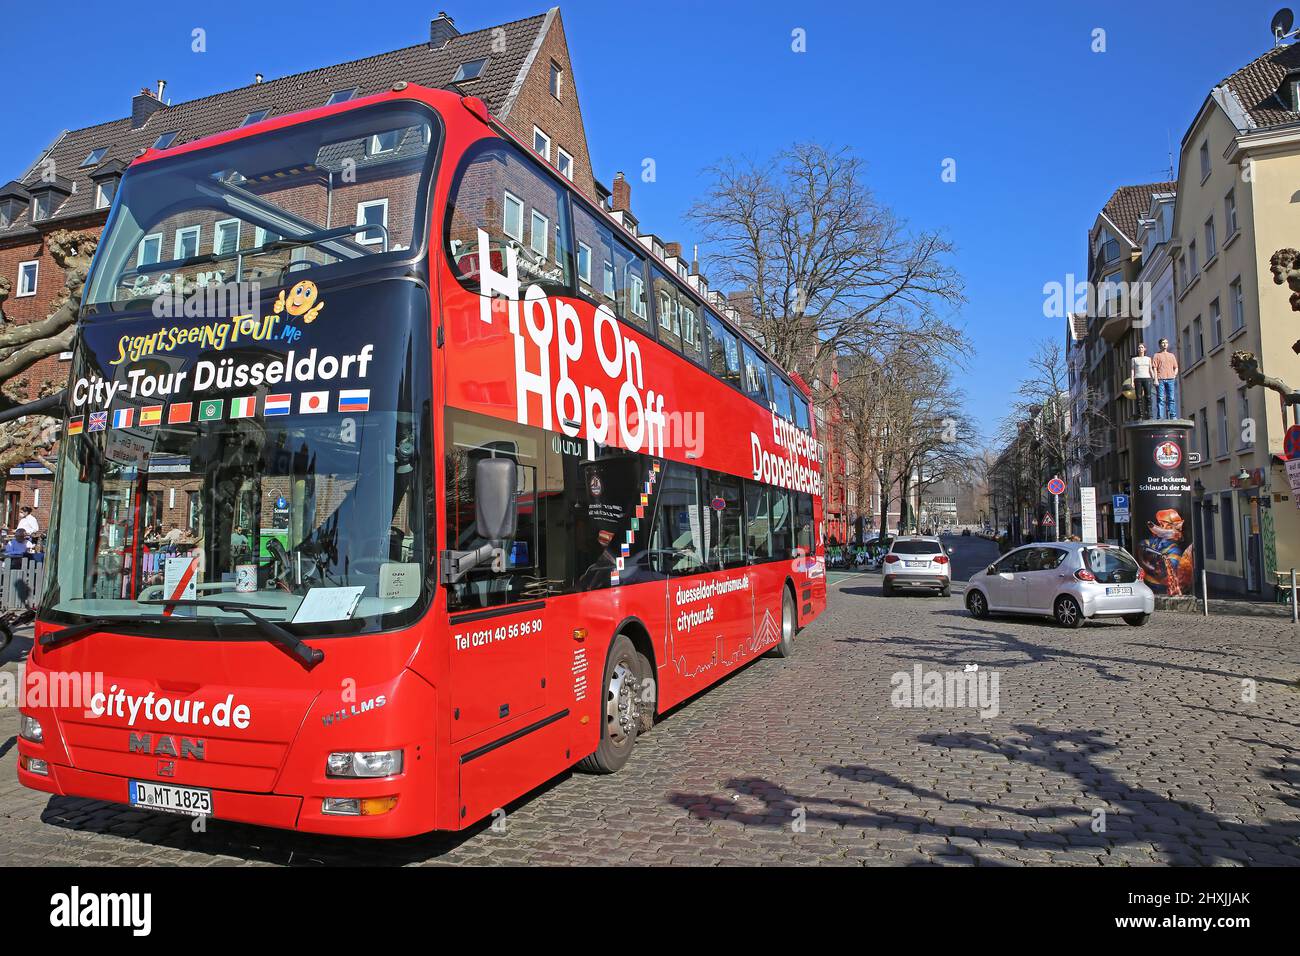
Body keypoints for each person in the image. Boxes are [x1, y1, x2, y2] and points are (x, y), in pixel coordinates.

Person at [1152, 337, 1179, 419]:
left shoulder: (1171, 355)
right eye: (1163, 343)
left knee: (1171, 398)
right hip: (1160, 379)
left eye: (1166, 342)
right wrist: (1155, 379)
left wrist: (1174, 375)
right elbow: (1154, 368)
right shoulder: (1156, 355)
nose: (1165, 344)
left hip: (1170, 379)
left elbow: (1176, 367)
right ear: (1160, 345)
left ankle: (1173, 416)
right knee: (1160, 398)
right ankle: (1160, 416)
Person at [1131, 342, 1154, 420]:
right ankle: (1140, 415)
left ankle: (1149, 414)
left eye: (1142, 347)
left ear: (1145, 349)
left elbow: (1150, 369)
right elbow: (1132, 370)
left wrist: (1154, 378)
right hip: (1138, 379)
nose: (1140, 349)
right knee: (1139, 397)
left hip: (1147, 378)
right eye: (1139, 347)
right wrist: (1132, 381)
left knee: (1148, 397)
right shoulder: (1134, 359)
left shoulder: (1148, 359)